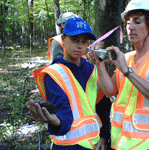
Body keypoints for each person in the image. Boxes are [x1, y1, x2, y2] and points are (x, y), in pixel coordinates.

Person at [88, 0, 149, 149]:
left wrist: (127, 71)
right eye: (127, 23)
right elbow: (109, 91)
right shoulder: (126, 58)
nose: (130, 27)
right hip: (124, 141)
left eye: (137, 22)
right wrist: (99, 63)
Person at [28, 17, 110, 150]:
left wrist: (105, 135)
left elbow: (102, 105)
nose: (79, 46)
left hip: (93, 143)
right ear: (63, 39)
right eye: (75, 40)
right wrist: (55, 121)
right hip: (67, 145)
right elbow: (62, 110)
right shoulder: (54, 73)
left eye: (84, 42)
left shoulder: (92, 69)